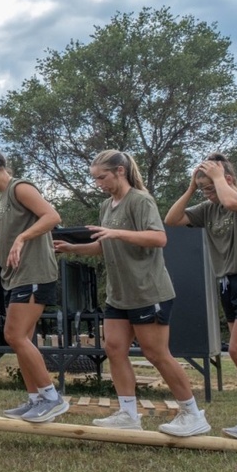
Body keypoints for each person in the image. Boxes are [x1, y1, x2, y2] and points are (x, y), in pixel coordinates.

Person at [53, 150, 211, 436]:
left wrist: (117, 234)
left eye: (102, 177)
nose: (98, 183)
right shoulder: (106, 206)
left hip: (148, 291)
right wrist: (74, 248)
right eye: (95, 178)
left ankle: (192, 413)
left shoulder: (140, 200)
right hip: (119, 294)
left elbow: (158, 238)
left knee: (156, 353)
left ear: (120, 172)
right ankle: (128, 413)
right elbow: (105, 245)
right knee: (113, 348)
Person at [0, 137, 68, 423]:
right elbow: (8, 244)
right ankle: (34, 399)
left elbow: (52, 216)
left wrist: (23, 236)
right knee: (24, 338)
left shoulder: (20, 188)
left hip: (35, 274)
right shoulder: (2, 199)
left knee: (14, 335)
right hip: (17, 277)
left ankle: (51, 397)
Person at [165, 153, 237, 441]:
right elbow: (172, 219)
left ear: (229, 179)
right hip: (229, 282)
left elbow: (232, 202)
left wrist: (218, 179)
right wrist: (191, 189)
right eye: (204, 189)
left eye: (210, 187)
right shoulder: (209, 209)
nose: (208, 194)